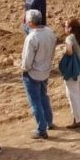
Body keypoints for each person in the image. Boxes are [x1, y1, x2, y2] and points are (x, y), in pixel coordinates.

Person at [21, 9, 58, 138]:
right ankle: (49, 121)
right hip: (45, 71)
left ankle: (41, 129)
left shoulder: (31, 38)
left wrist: (24, 69)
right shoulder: (50, 32)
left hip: (33, 73)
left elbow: (27, 60)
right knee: (43, 97)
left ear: (30, 22)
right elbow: (53, 52)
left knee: (35, 101)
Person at [59, 18, 80, 128]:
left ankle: (77, 120)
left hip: (74, 71)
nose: (64, 28)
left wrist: (65, 53)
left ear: (70, 28)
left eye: (66, 26)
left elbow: (69, 51)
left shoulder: (69, 38)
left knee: (72, 96)